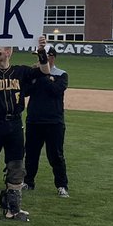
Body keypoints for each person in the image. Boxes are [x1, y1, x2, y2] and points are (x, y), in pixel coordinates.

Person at [0, 35, 52, 221]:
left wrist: (41, 51)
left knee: (16, 167)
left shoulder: (20, 71)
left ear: (8, 52)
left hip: (14, 123)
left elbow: (44, 71)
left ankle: (13, 209)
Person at [23, 45, 70, 197]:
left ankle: (62, 185)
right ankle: (28, 181)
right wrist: (38, 75)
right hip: (34, 120)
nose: (38, 59)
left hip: (54, 121)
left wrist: (43, 76)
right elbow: (25, 91)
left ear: (51, 57)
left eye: (41, 56)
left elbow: (55, 90)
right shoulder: (33, 73)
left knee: (56, 155)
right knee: (31, 154)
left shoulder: (61, 74)